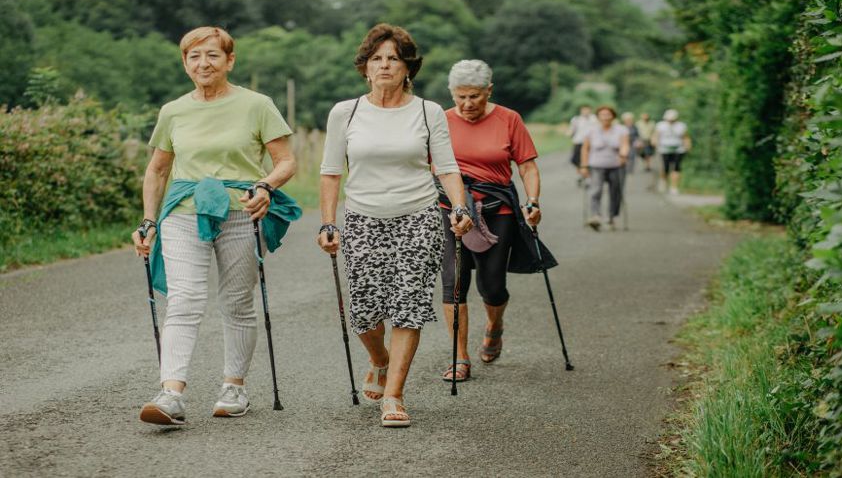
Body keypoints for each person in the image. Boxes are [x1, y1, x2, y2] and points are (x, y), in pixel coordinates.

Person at [132, 26, 301, 426]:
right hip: (183, 212)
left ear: (230, 60)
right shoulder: (173, 110)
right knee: (184, 299)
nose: (203, 63)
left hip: (241, 210)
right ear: (184, 63)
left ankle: (234, 387)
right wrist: (148, 220)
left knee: (237, 302)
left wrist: (265, 185)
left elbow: (286, 161)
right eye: (194, 56)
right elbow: (157, 170)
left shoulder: (257, 104)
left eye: (212, 55)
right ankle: (171, 394)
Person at [318, 23, 472, 428]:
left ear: (408, 68)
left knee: (408, 304)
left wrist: (459, 207)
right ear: (365, 68)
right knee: (365, 311)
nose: (385, 65)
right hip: (363, 218)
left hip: (418, 217)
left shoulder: (428, 111)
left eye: (394, 59)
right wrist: (328, 223)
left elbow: (448, 168)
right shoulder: (345, 112)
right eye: (377, 59)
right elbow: (331, 172)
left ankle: (394, 395)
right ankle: (379, 360)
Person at [438, 59, 556, 381]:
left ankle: (494, 324)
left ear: (489, 90)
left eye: (474, 96)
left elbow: (527, 167)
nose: (467, 104)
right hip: (450, 208)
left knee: (492, 285)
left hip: (496, 209)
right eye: (460, 96)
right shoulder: (441, 120)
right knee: (453, 281)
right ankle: (459, 356)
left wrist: (532, 201)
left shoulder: (509, 119)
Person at [579, 106, 630, 231]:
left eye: (608, 114)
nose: (605, 117)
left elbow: (625, 144)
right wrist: (584, 165)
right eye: (602, 114)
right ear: (598, 117)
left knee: (615, 192)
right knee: (595, 190)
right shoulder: (590, 130)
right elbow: (585, 149)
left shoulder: (621, 130)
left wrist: (623, 154)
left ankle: (611, 217)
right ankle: (595, 216)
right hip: (596, 165)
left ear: (613, 116)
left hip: (616, 166)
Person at [651, 109, 692, 195]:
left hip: (678, 149)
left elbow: (685, 137)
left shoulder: (681, 126)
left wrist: (687, 146)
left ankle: (674, 187)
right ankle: (663, 181)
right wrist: (655, 143)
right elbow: (656, 135)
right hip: (664, 149)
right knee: (665, 167)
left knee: (676, 168)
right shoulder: (661, 125)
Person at [567, 105, 597, 184]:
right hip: (578, 142)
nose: (585, 112)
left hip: (591, 142)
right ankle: (580, 174)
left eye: (587, 110)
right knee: (575, 160)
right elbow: (572, 130)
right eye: (584, 110)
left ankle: (588, 176)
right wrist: (569, 134)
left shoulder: (594, 119)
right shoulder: (576, 120)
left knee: (589, 159)